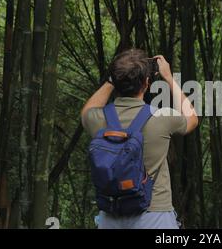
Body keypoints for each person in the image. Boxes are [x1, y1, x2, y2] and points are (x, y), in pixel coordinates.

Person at [81, 49, 198, 229]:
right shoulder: (162, 118)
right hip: (154, 215)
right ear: (147, 83)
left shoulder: (97, 119)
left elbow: (86, 110)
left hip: (111, 215)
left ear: (115, 80)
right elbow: (192, 119)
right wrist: (168, 77)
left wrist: (112, 80)